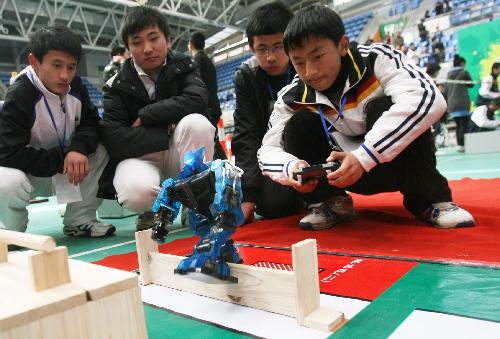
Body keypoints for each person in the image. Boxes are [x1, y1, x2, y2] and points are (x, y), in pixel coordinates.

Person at [257, 6, 475, 230]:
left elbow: (430, 99)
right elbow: (267, 151)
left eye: (318, 56)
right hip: (340, 172)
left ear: (342, 45)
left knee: (387, 107)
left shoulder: (377, 59)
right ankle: (330, 202)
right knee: (297, 125)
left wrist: (364, 156)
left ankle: (429, 200)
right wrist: (291, 168)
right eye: (298, 62)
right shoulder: (293, 95)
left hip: (396, 163)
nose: (310, 72)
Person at [98, 6, 214, 231]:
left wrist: (146, 114)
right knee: (135, 191)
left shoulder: (185, 66)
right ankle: (153, 210)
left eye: (153, 38)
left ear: (168, 40)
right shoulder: (115, 86)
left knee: (197, 124)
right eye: (137, 42)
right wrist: (165, 129)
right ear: (129, 48)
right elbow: (116, 139)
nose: (147, 48)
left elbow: (197, 101)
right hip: (141, 156)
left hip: (178, 151)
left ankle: (195, 205)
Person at [0, 26, 115, 237]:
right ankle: (12, 231)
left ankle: (79, 220)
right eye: (56, 65)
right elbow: (9, 153)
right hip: (31, 175)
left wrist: (78, 148)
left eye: (71, 67)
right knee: (5, 178)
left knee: (102, 149)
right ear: (34, 62)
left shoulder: (77, 86)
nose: (65, 75)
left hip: (70, 170)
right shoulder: (20, 95)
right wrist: (62, 159)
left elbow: (91, 123)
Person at [231, 1, 300, 224]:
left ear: (290, 43)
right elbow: (246, 135)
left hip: (307, 146)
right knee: (273, 207)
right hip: (270, 153)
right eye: (262, 49)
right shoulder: (246, 77)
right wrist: (248, 195)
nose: (270, 57)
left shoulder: (305, 66)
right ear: (251, 47)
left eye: (278, 47)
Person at [188, 31, 225, 159]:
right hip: (214, 106)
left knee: (209, 143)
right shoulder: (208, 61)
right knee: (211, 141)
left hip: (206, 108)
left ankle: (223, 169)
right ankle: (223, 167)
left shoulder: (197, 61)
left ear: (190, 45)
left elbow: (196, 87)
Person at [445, 55, 473, 152]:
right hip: (462, 103)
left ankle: (460, 145)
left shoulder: (448, 75)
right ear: (462, 64)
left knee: (458, 125)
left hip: (452, 104)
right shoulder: (464, 72)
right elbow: (471, 84)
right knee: (464, 124)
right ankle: (463, 144)